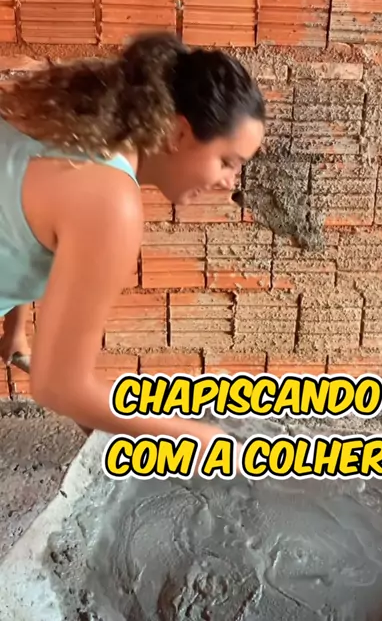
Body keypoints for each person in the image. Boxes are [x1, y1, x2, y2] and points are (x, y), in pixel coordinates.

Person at [0, 31, 266, 461]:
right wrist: (193, 436)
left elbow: (18, 215)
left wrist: (15, 327)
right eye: (227, 162)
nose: (228, 183)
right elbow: (57, 386)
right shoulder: (109, 201)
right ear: (179, 132)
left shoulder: (71, 124)